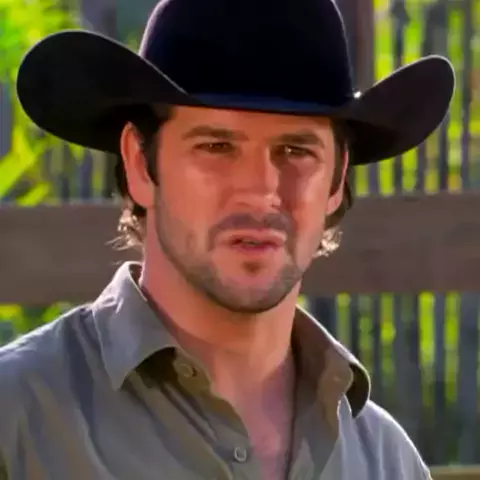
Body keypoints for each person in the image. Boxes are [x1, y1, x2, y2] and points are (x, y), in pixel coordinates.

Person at [0, 0, 454, 478]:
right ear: (139, 164)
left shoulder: (386, 463)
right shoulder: (18, 421)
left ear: (337, 178)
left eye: (295, 150)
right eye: (217, 146)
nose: (260, 191)